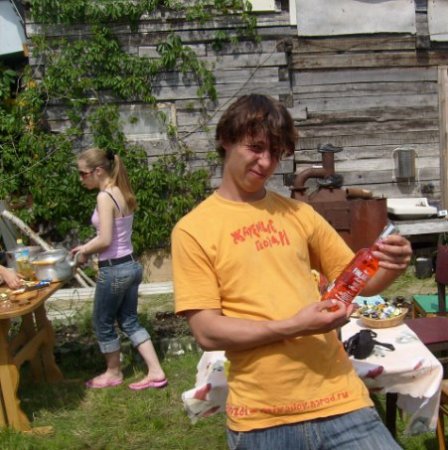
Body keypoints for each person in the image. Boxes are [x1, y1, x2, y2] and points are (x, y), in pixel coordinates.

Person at [172, 94, 412, 450]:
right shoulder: (194, 230)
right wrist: (295, 326)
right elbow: (207, 331)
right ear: (226, 139)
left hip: (342, 401)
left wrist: (391, 265)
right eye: (256, 148)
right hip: (262, 419)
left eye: (275, 153)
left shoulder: (299, 214)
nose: (266, 162)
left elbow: (361, 283)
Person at [71, 148, 166, 390]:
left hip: (114, 270)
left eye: (83, 173)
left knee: (102, 322)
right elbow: (113, 236)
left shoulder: (104, 197)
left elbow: (105, 240)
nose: (80, 179)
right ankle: (156, 372)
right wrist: (86, 248)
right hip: (131, 266)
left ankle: (113, 373)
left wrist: (83, 250)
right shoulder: (120, 190)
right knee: (129, 321)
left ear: (98, 171)